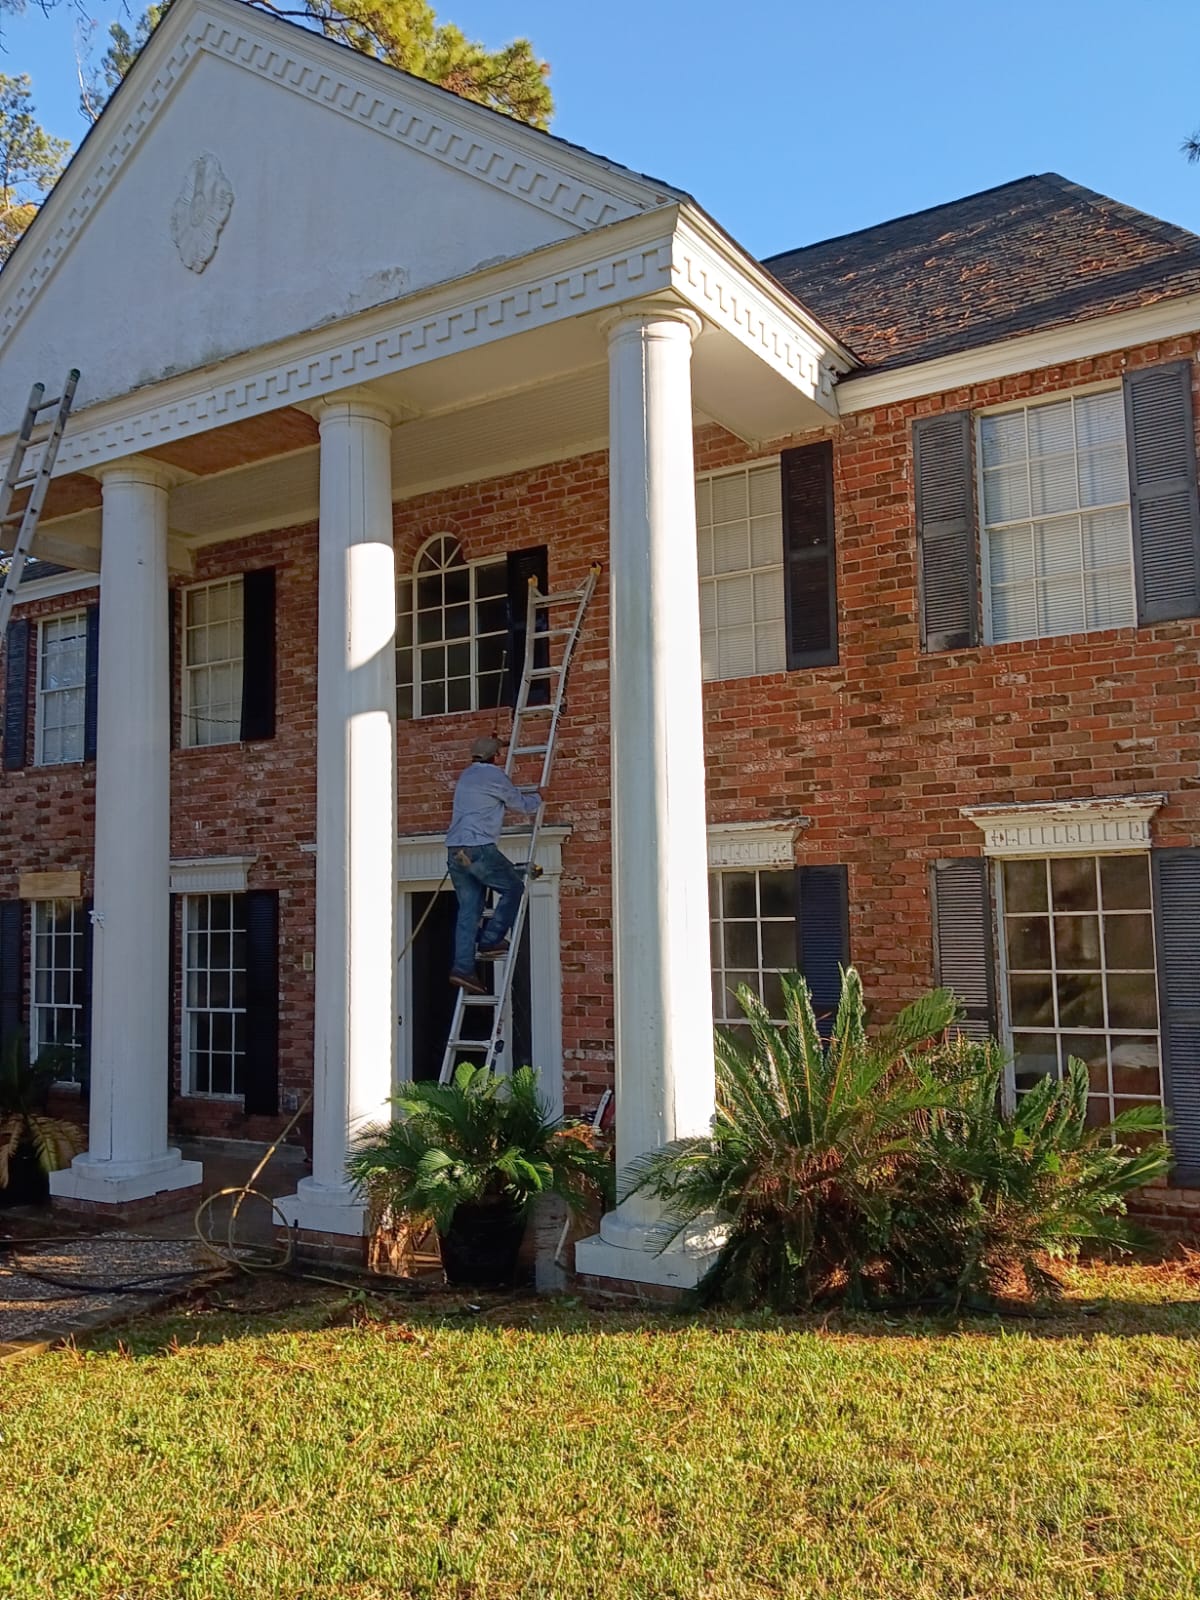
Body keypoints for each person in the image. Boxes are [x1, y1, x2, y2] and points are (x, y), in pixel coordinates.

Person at [445, 735, 541, 992]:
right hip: (478, 848)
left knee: (468, 910)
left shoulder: (466, 776)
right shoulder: (493, 776)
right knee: (513, 888)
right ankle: (490, 939)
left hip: (456, 849)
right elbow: (520, 804)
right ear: (495, 757)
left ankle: (463, 969)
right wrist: (540, 798)